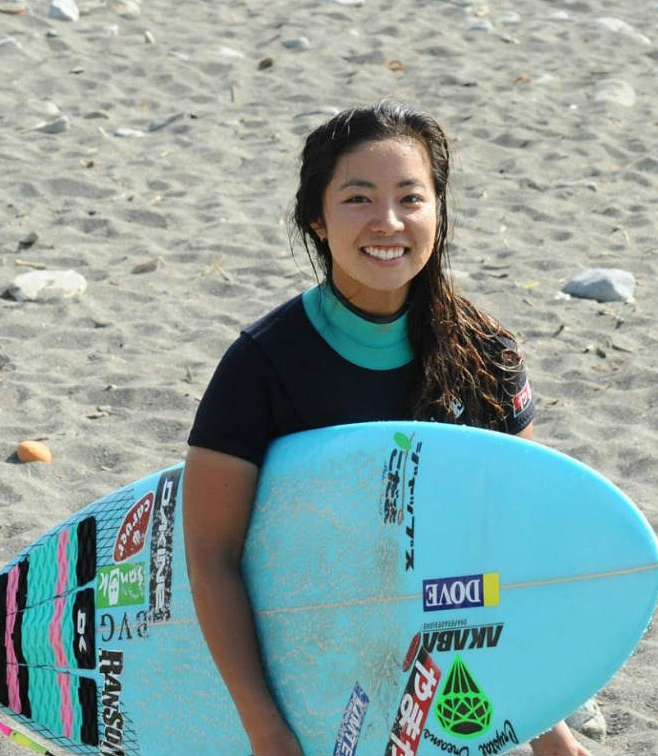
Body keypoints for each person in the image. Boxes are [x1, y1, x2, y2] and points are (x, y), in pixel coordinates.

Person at [183, 102, 593, 756]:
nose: (388, 223)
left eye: (411, 197)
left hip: (441, 671)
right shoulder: (261, 365)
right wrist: (268, 732)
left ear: (439, 211)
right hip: (307, 669)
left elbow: (505, 550)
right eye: (358, 198)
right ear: (316, 217)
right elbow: (210, 556)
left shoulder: (487, 354)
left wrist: (549, 733)